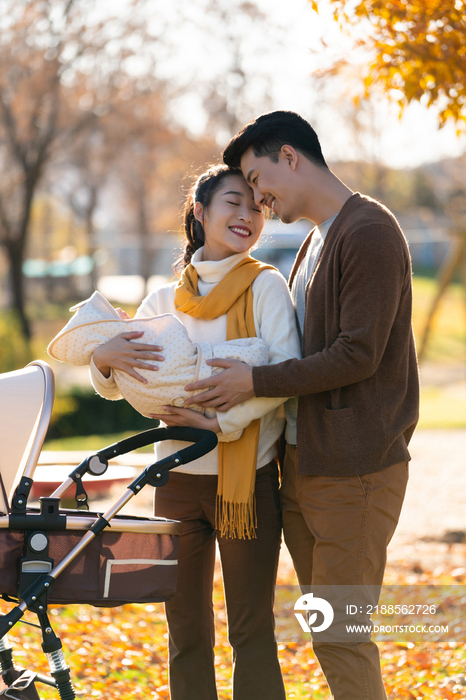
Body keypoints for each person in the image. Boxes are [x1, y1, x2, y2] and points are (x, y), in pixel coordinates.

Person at [183, 111, 420, 700]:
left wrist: (252, 381)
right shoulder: (317, 240)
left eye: (257, 178)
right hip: (308, 470)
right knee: (328, 633)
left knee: (342, 635)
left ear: (289, 156)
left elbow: (356, 354)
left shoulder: (368, 230)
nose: (256, 198)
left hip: (357, 471)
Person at [89, 163, 301, 700]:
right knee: (184, 631)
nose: (248, 215)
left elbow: (282, 377)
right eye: (234, 202)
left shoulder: (266, 286)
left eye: (257, 206)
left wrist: (217, 425)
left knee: (251, 631)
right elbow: (127, 383)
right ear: (200, 213)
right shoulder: (163, 301)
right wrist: (104, 360)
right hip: (175, 482)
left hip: (246, 483)